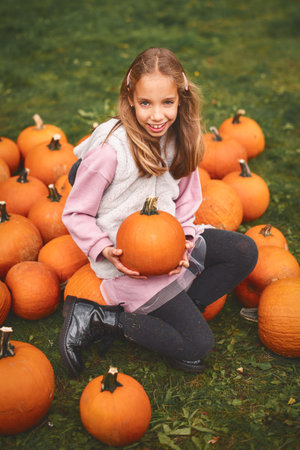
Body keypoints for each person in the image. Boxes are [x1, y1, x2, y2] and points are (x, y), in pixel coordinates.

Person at [59, 47, 258, 377]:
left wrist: (185, 241)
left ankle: (175, 310)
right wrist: (102, 248)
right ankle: (100, 318)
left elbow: (186, 202)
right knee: (197, 348)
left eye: (167, 103)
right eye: (145, 103)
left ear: (181, 98)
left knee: (243, 250)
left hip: (168, 246)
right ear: (130, 98)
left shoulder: (181, 139)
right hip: (130, 265)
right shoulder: (111, 153)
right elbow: (76, 213)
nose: (156, 116)